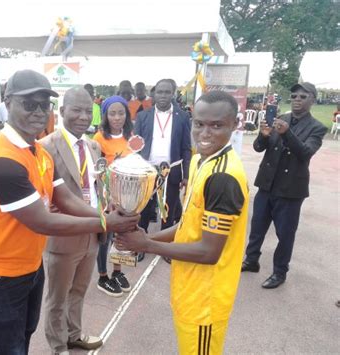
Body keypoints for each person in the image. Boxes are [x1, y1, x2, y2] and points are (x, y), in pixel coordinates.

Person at [0, 70, 138, 355]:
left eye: (45, 104)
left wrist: (102, 218)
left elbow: (65, 198)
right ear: (7, 102)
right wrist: (104, 222)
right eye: (29, 103)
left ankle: (71, 335)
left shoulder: (38, 152)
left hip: (29, 265)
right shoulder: (1, 160)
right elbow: (42, 221)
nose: (39, 111)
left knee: (23, 337)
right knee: (9, 348)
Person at [117, 90, 249, 355]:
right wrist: (146, 240)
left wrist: (148, 245)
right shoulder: (201, 161)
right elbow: (188, 225)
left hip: (205, 299)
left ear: (235, 125)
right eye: (199, 124)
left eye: (217, 125)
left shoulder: (223, 177)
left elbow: (209, 252)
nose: (205, 133)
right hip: (189, 289)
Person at [241, 82, 328, 289]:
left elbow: (305, 153)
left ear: (313, 100)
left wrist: (287, 133)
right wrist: (262, 136)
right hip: (267, 184)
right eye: (295, 95)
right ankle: (251, 260)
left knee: (285, 234)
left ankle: (280, 272)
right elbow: (259, 148)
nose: (297, 99)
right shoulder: (280, 119)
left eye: (303, 96)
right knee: (257, 227)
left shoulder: (317, 127)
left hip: (290, 190)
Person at [40, 88, 104, 354]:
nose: (83, 116)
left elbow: (99, 187)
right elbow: (45, 196)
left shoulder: (93, 145)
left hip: (93, 233)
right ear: (62, 111)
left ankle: (74, 335)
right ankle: (58, 346)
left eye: (88, 111)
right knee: (57, 297)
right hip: (63, 235)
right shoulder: (46, 146)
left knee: (79, 290)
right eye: (76, 110)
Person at [134, 78, 191, 235]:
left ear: (173, 94)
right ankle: (141, 241)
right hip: (148, 171)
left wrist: (187, 175)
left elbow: (186, 148)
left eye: (167, 92)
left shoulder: (183, 117)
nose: (163, 96)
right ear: (154, 94)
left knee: (169, 209)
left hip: (171, 171)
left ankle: (165, 244)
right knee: (144, 209)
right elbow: (136, 147)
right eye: (160, 92)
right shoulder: (143, 116)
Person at [93, 95, 134, 297]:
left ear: (126, 115)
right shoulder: (98, 139)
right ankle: (103, 276)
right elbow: (97, 171)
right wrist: (105, 198)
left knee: (121, 234)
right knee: (105, 235)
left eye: (121, 113)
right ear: (105, 115)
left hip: (126, 195)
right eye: (112, 113)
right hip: (106, 196)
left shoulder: (132, 137)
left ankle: (118, 272)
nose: (117, 117)